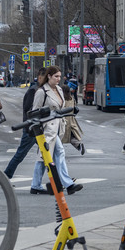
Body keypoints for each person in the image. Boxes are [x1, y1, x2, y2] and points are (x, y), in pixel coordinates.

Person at [30, 66, 83, 195]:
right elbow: (34, 112)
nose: (59, 79)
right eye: (56, 76)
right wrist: (38, 130)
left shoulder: (59, 89)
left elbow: (61, 107)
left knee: (44, 157)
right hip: (46, 129)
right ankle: (68, 184)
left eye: (60, 76)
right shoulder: (42, 92)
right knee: (59, 152)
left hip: (57, 128)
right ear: (49, 76)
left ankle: (35, 185)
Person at [3, 67, 47, 179]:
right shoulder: (34, 90)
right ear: (40, 77)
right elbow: (28, 109)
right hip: (31, 128)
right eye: (46, 77)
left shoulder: (43, 90)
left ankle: (62, 179)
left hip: (40, 127)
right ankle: (6, 176)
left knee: (51, 153)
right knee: (21, 154)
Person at [61, 84, 86, 155]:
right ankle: (79, 145)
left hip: (62, 120)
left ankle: (58, 151)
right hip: (71, 120)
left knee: (60, 136)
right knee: (71, 136)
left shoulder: (61, 99)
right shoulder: (72, 99)